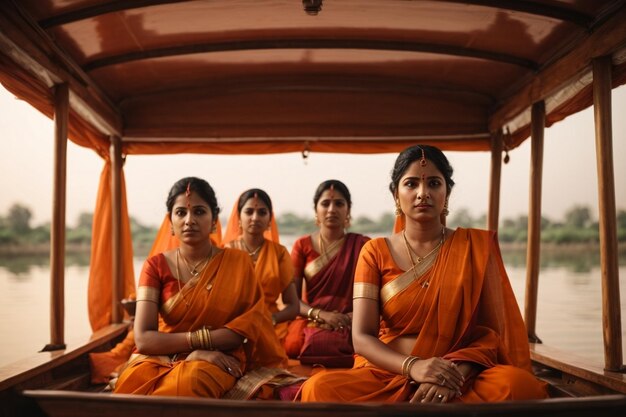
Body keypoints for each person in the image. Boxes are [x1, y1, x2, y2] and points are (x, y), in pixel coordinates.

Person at [300, 145, 549, 403]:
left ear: (446, 193)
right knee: (317, 389)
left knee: (520, 386)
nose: (423, 193)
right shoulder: (374, 251)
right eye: (411, 184)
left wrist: (454, 375)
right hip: (390, 370)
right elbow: (362, 338)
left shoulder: (474, 247)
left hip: (460, 372)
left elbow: (490, 335)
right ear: (396, 195)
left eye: (433, 183)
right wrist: (414, 367)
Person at [113, 177, 296, 398]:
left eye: (199, 212)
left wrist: (200, 351)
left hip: (220, 357)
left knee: (185, 385)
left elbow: (237, 334)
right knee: (131, 384)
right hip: (161, 357)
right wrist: (194, 351)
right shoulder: (155, 266)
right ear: (170, 223)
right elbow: (143, 339)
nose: (189, 220)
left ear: (214, 221)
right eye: (181, 213)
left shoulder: (237, 262)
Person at [284, 179, 370, 368]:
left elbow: (374, 298)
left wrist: (350, 317)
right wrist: (322, 315)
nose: (332, 209)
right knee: (292, 344)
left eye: (339, 203)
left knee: (370, 342)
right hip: (313, 320)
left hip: (352, 320)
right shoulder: (302, 245)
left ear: (348, 210)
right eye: (325, 203)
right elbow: (293, 301)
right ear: (316, 210)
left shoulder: (363, 245)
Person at [223, 188, 299, 346]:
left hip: (270, 329)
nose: (255, 217)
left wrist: (270, 320)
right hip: (232, 329)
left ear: (270, 218)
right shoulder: (225, 253)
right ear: (239, 217)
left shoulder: (279, 253)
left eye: (262, 212)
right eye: (249, 211)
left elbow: (293, 306)